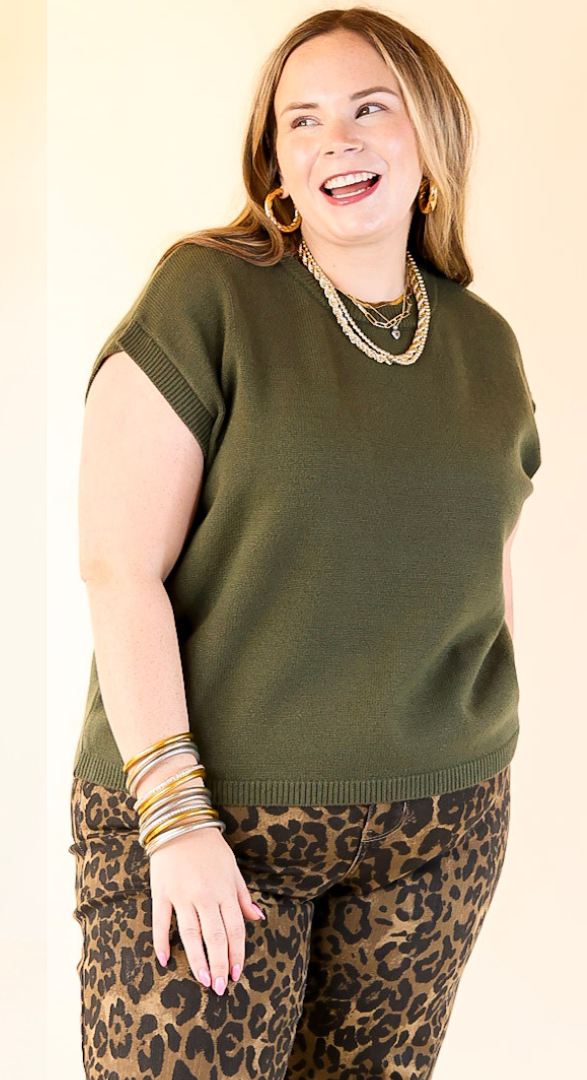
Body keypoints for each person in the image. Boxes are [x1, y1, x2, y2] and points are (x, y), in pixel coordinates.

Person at [71, 7, 540, 1079]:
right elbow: (117, 564)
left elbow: (486, 567)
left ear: (429, 136)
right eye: (305, 120)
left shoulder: (486, 344)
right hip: (212, 819)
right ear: (277, 165)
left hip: (436, 831)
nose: (339, 141)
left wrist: (483, 761)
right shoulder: (207, 295)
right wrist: (175, 819)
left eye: (371, 109)